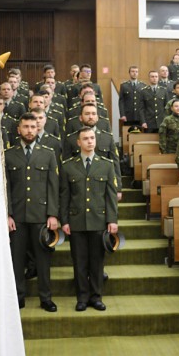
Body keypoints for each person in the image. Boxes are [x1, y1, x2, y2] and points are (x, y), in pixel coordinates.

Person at [5, 113, 60, 312]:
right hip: (17, 217)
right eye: (25, 126)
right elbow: (6, 188)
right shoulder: (8, 154)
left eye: (33, 126)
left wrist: (53, 214)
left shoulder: (48, 154)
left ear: (38, 129)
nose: (29, 130)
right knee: (16, 259)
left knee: (43, 260)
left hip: (41, 216)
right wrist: (8, 214)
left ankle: (46, 297)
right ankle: (18, 297)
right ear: (19, 129)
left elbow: (53, 186)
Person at [60, 127, 118, 312]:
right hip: (76, 221)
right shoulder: (68, 166)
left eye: (92, 138)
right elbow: (64, 196)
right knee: (79, 262)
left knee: (97, 262)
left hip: (99, 220)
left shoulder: (107, 165)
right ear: (78, 142)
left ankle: (96, 296)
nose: (90, 141)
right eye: (85, 139)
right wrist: (65, 220)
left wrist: (112, 220)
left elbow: (110, 196)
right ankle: (82, 298)